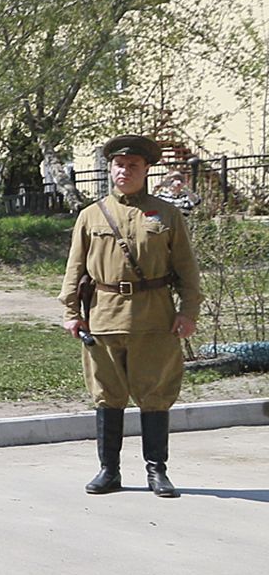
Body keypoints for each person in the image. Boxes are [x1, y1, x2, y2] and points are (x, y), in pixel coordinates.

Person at [58, 133, 203, 498]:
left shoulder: (166, 214)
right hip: (104, 317)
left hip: (154, 318)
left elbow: (187, 270)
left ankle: (157, 472)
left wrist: (188, 312)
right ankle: (109, 471)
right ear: (111, 168)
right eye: (119, 165)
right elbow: (75, 268)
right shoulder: (91, 215)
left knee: (155, 394)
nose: (125, 171)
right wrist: (71, 311)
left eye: (133, 165)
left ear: (146, 170)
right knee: (108, 395)